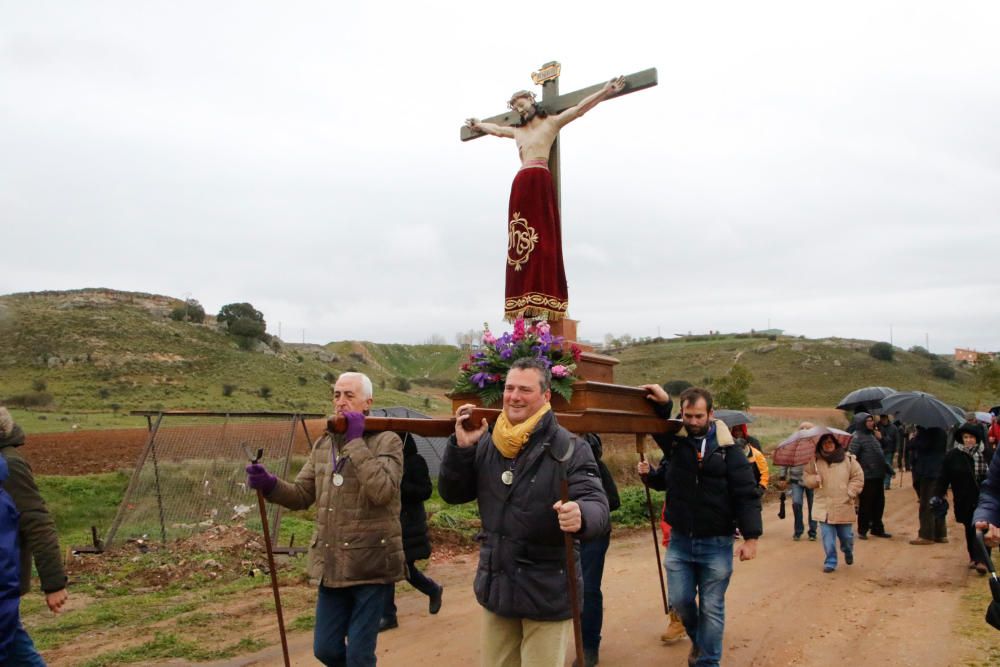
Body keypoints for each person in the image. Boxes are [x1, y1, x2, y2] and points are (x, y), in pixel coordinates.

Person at [439, 358, 610, 667]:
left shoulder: (569, 447)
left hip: (547, 589)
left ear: (546, 396)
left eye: (525, 390)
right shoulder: (488, 441)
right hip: (498, 585)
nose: (514, 396)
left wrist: (580, 513)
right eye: (509, 388)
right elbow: (453, 494)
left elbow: (598, 506)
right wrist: (461, 450)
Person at [245, 373, 404, 667]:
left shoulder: (387, 441)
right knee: (325, 650)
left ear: (368, 402)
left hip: (370, 564)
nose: (340, 402)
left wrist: (356, 443)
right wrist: (269, 484)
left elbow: (382, 491)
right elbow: (302, 494)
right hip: (331, 564)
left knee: (359, 657)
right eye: (336, 395)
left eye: (349, 396)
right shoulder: (323, 445)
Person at [465, 76, 625, 322]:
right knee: (520, 245)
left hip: (540, 180)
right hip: (521, 184)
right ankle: (525, 304)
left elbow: (579, 109)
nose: (520, 109)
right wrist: (479, 124)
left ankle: (546, 297)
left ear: (532, 100)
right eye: (516, 107)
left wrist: (604, 91)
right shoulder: (518, 132)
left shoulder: (551, 123)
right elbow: (496, 130)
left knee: (544, 241)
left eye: (522, 104)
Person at [640, 385, 762, 667]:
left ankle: (707, 661)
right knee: (681, 602)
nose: (693, 422)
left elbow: (746, 495)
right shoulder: (675, 445)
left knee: (712, 607)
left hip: (716, 543)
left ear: (710, 414)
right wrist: (663, 404)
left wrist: (751, 537)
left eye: (698, 416)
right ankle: (699, 641)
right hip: (681, 540)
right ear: (681, 414)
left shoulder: (729, 451)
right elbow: (659, 430)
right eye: (687, 416)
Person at [0, 406, 69, 666]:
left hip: (4, 576)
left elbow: (37, 522)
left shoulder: (9, 465)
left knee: (15, 649)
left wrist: (53, 583)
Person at [379, 434, 443, 632]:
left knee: (401, 567)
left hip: (409, 523)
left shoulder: (416, 462)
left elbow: (425, 491)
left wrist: (401, 486)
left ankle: (431, 589)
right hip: (389, 521)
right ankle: (388, 615)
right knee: (391, 567)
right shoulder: (386, 462)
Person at [637, 447, 688, 646]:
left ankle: (705, 618)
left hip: (706, 526)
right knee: (676, 575)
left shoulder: (718, 450)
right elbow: (662, 481)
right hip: (675, 524)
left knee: (701, 577)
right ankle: (677, 621)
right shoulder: (674, 452)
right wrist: (649, 473)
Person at [578, 433, 620, 667]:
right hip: (559, 534)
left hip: (594, 535)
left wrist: (589, 509)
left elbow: (613, 501)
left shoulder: (597, 467)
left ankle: (589, 646)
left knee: (588, 588)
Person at [802, 433, 865, 572]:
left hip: (843, 504)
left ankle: (847, 551)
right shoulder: (814, 461)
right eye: (825, 443)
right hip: (823, 506)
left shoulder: (848, 459)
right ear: (820, 445)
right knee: (828, 538)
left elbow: (858, 477)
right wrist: (814, 479)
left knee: (846, 537)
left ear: (836, 443)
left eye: (830, 442)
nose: (828, 445)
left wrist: (850, 492)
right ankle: (830, 561)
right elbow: (806, 478)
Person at [935, 424, 993, 572]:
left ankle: (983, 560)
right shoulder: (953, 455)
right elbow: (944, 476)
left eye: (971, 437)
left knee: (983, 527)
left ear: (977, 439)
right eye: (966, 437)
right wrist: (939, 493)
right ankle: (973, 557)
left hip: (984, 497)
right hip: (963, 498)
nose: (968, 440)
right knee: (969, 527)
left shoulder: (986, 454)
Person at [848, 412, 891, 539]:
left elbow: (882, 452)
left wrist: (881, 438)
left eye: (872, 420)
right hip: (866, 476)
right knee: (866, 504)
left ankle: (877, 528)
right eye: (868, 421)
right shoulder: (856, 438)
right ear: (861, 423)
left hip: (878, 475)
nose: (872, 423)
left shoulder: (873, 436)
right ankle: (863, 529)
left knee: (879, 504)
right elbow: (852, 457)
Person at [776, 421, 818, 542]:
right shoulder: (792, 444)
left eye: (807, 428)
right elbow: (784, 461)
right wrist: (782, 477)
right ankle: (798, 530)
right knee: (796, 503)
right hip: (795, 480)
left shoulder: (816, 445)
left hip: (812, 479)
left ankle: (813, 532)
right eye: (802, 428)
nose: (804, 429)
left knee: (813, 506)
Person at [908, 426, 948, 545]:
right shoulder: (942, 430)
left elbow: (918, 446)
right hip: (941, 469)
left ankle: (926, 535)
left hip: (928, 471)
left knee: (926, 503)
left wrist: (912, 439)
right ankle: (941, 534)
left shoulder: (926, 430)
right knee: (938, 501)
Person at [877, 414, 900, 490]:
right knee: (881, 467)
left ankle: (886, 484)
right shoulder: (877, 427)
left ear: (887, 418)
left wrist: (897, 450)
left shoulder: (893, 428)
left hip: (889, 450)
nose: (882, 421)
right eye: (881, 419)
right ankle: (884, 481)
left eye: (884, 419)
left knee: (887, 464)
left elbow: (897, 440)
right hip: (879, 449)